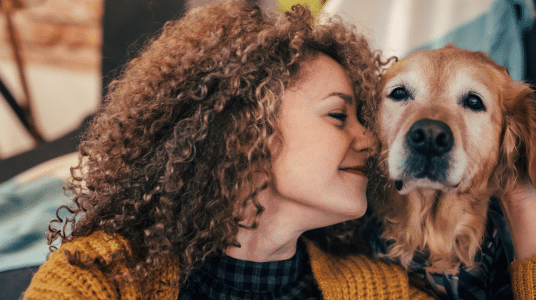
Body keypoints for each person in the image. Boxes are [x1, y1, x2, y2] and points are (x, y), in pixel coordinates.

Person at [21, 1, 434, 299]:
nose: (371, 141)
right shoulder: (100, 278)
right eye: (338, 115)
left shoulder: (382, 291)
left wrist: (504, 189)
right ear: (244, 130)